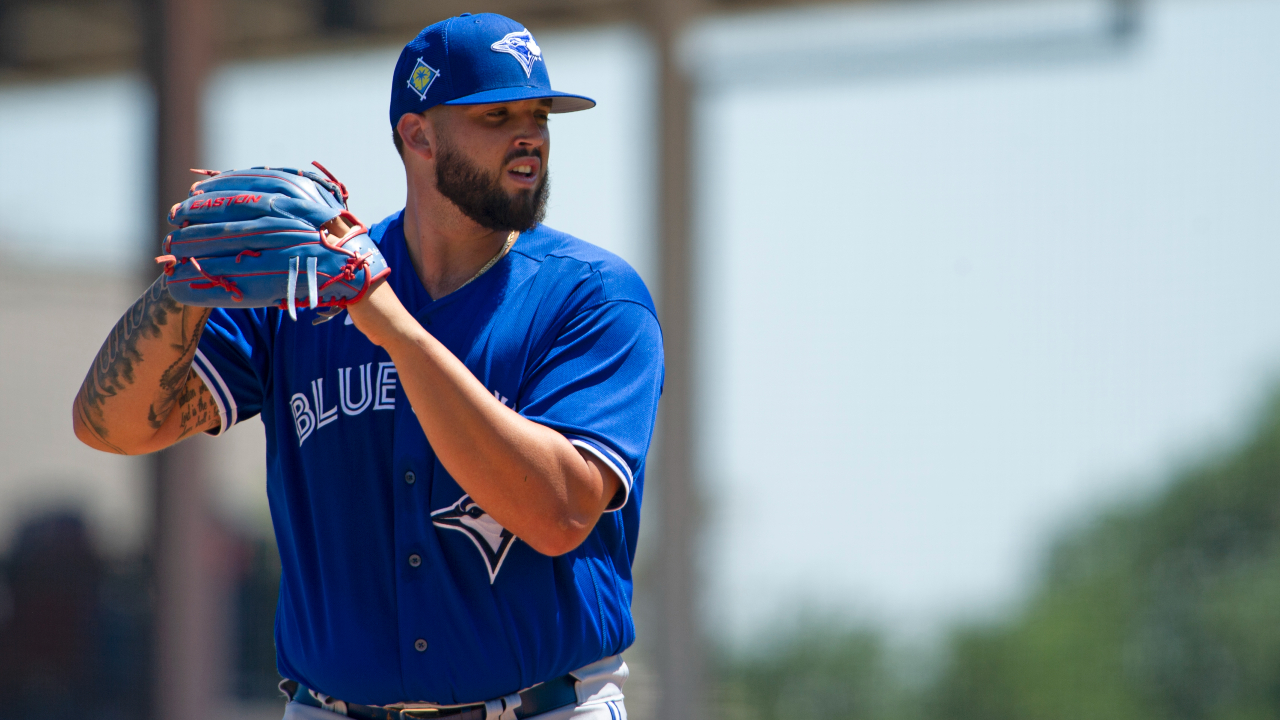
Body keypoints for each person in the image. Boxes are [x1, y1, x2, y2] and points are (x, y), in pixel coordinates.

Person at [72, 12, 663, 720]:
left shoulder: (591, 296)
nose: (528, 135)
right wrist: (180, 290)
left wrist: (388, 321)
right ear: (417, 134)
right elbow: (113, 426)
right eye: (496, 114)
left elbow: (561, 512)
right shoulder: (305, 285)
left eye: (539, 115)